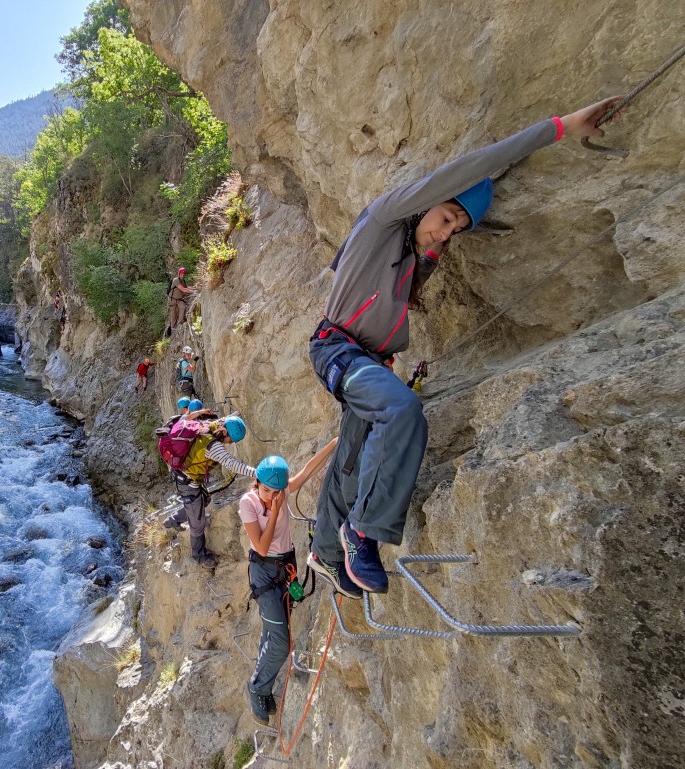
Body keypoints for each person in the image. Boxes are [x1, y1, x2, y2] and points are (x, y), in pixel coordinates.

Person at [306, 97, 627, 596]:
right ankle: (363, 531)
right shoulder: (382, 222)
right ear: (432, 198)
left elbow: (444, 225)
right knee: (401, 410)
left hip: (367, 359)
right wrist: (560, 128)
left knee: (351, 458)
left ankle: (326, 555)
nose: (447, 229)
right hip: (337, 350)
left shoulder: (412, 255)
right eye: (449, 214)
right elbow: (471, 167)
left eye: (458, 228)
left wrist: (438, 244)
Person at [240, 443, 337, 725]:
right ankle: (257, 688)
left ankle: (261, 679)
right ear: (257, 483)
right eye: (267, 490)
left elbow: (308, 471)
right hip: (265, 572)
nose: (271, 496)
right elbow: (260, 545)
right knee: (282, 642)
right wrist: (274, 509)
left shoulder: (281, 491)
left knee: (274, 630)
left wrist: (335, 442)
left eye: (276, 491)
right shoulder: (249, 503)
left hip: (286, 568)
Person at [163, 416, 254, 569]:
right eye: (231, 440)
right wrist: (258, 473)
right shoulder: (214, 447)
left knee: (203, 501)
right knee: (198, 522)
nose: (230, 443)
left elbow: (224, 419)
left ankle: (173, 520)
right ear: (224, 432)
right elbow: (233, 464)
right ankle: (199, 556)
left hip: (183, 476)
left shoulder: (210, 426)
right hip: (188, 482)